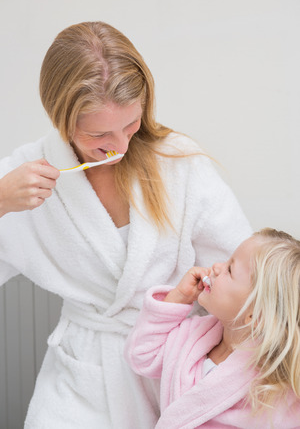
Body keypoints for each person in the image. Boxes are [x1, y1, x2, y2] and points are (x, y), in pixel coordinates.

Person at [0, 21, 252, 428]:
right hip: (76, 383)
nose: (119, 146)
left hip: (171, 376)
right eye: (99, 134)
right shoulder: (22, 178)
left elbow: (251, 279)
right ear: (60, 118)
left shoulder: (179, 164)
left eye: (131, 125)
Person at [125, 228, 300, 428]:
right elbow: (142, 356)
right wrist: (178, 297)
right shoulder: (193, 335)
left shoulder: (272, 388)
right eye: (227, 261)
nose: (217, 267)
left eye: (230, 270)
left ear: (256, 316)